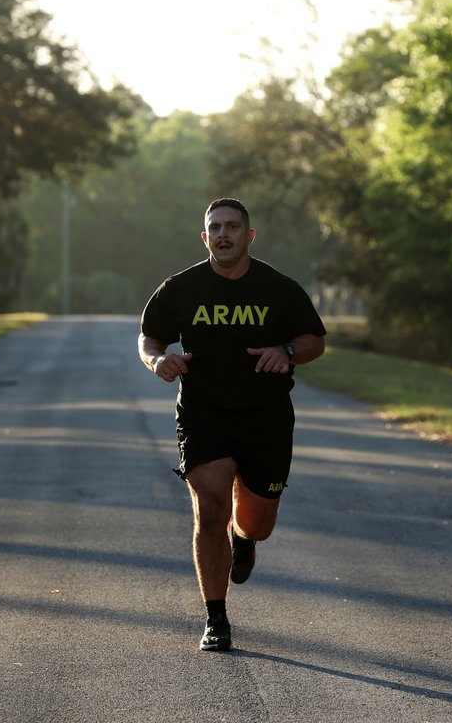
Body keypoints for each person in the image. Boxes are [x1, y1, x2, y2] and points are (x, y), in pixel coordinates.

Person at [138, 197, 326, 652]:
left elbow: (314, 340)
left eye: (232, 227)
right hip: (204, 414)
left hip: (266, 418)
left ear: (248, 235)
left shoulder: (279, 288)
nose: (223, 234)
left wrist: (287, 352)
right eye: (215, 228)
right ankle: (215, 619)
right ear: (205, 237)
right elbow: (149, 337)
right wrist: (158, 359)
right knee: (211, 504)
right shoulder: (180, 288)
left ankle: (245, 542)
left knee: (256, 521)